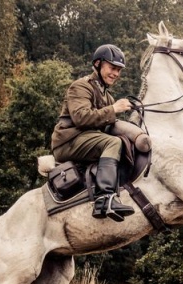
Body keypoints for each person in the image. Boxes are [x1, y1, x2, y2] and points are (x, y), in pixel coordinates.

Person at [51, 44, 146, 222]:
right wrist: (114, 109)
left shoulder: (106, 95)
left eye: (119, 70)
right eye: (112, 68)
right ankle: (104, 199)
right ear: (98, 64)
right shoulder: (81, 86)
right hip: (68, 141)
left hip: (85, 140)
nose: (116, 74)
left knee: (119, 141)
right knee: (112, 143)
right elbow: (81, 118)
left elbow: (105, 125)